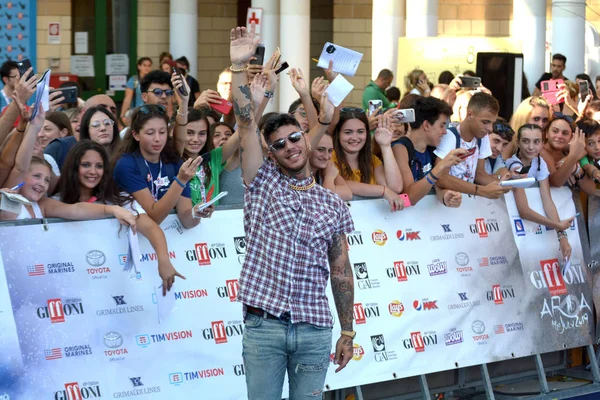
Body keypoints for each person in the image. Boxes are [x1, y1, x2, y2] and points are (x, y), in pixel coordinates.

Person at [230, 23, 355, 399]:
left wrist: (347, 330)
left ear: (306, 137)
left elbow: (341, 270)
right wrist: (239, 68)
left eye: (295, 137)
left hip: (315, 329)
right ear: (270, 153)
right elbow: (245, 123)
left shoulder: (332, 203)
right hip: (264, 327)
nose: (290, 146)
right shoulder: (262, 182)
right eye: (279, 144)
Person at [58, 140, 184, 295]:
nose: (93, 171)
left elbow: (152, 229)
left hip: (113, 284)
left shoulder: (119, 200)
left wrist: (164, 260)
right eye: (85, 165)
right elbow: (73, 210)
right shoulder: (58, 201)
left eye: (99, 166)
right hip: (73, 285)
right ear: (73, 167)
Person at [112, 104, 212, 228]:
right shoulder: (126, 164)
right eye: (150, 133)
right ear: (136, 135)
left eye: (162, 132)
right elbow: (154, 217)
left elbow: (187, 221)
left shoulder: (174, 161)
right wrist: (180, 180)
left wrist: (197, 213)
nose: (157, 139)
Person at [0, 156, 138, 232]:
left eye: (47, 180)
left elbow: (76, 209)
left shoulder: (42, 204)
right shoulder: (6, 201)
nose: (42, 183)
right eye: (37, 176)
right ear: (21, 176)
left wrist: (113, 209)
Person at [505, 124, 574, 259]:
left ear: (543, 143)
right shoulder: (515, 165)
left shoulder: (540, 163)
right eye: (526, 141)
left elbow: (547, 199)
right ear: (518, 143)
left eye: (536, 142)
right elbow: (524, 211)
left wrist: (562, 237)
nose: (531, 147)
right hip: (512, 232)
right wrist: (558, 225)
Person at [434, 92, 511, 199]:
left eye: (491, 123)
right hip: (448, 202)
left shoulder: (482, 137)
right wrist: (481, 191)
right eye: (485, 122)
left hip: (467, 202)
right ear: (470, 115)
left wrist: (502, 185)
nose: (490, 129)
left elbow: (479, 174)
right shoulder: (450, 136)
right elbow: (441, 177)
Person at [392, 96, 466, 207]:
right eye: (441, 126)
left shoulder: (432, 149)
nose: (445, 132)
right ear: (426, 125)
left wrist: (446, 196)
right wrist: (441, 166)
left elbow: (435, 186)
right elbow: (410, 197)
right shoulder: (400, 148)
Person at [332, 109, 404, 209]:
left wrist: (385, 146)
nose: (354, 137)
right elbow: (343, 184)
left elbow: (395, 188)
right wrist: (383, 190)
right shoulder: (329, 157)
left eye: (360, 132)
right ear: (338, 134)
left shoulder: (372, 160)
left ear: (367, 133)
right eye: (348, 132)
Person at [45, 95, 118, 175]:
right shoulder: (59, 147)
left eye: (113, 111)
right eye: (96, 124)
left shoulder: (123, 155)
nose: (103, 128)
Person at [540, 113, 586, 188]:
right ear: (546, 133)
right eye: (555, 131)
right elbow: (556, 182)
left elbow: (591, 189)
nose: (559, 136)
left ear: (571, 138)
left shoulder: (567, 152)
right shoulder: (540, 151)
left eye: (565, 133)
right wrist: (572, 157)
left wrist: (575, 169)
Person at [309, 134, 352, 200]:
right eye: (320, 149)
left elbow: (348, 194)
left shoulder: (327, 167)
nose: (326, 157)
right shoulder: (299, 173)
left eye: (330, 151)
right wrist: (329, 178)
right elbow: (327, 200)